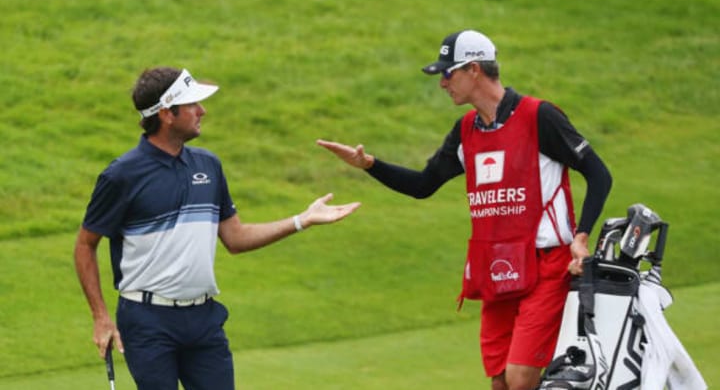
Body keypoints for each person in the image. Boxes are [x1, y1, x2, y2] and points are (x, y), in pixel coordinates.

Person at [317, 29, 612, 390]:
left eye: (448, 72)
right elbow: (424, 185)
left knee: (521, 380)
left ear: (474, 70)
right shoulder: (467, 130)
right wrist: (370, 165)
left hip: (545, 264)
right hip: (497, 267)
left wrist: (581, 238)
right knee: (501, 381)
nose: (442, 83)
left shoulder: (539, 116)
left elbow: (599, 175)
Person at [74, 66, 360, 390]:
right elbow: (86, 244)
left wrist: (301, 220)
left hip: (203, 319)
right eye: (193, 104)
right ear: (167, 113)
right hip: (147, 321)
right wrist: (100, 316)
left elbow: (235, 238)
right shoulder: (122, 175)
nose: (202, 111)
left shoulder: (208, 165)